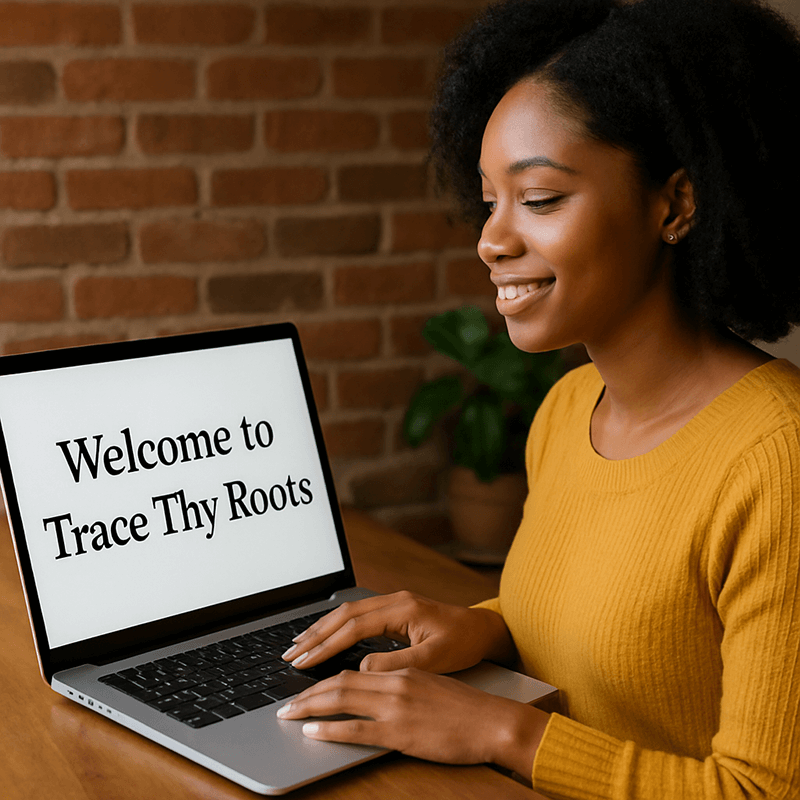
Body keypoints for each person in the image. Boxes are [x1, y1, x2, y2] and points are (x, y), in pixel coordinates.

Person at [276, 0, 800, 796]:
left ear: (676, 205)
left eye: (541, 199)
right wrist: (485, 626)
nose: (491, 239)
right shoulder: (567, 408)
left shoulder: (779, 459)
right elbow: (620, 637)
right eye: (489, 200)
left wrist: (501, 730)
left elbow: (765, 789)